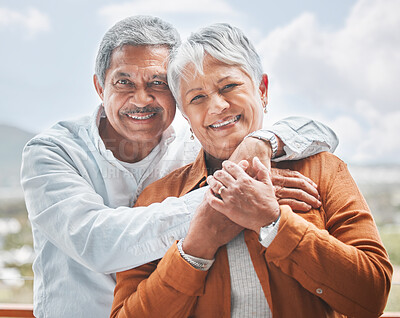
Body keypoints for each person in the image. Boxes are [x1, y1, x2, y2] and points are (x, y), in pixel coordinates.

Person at [21, 16, 338, 318]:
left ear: (177, 93)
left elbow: (320, 131)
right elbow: (96, 243)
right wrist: (232, 196)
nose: (142, 99)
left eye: (157, 83)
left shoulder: (196, 146)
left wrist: (264, 142)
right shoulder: (51, 152)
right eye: (124, 82)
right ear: (100, 88)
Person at [110, 23, 392, 318]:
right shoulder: (156, 198)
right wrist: (195, 248)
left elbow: (372, 295)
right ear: (187, 118)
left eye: (228, 86)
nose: (217, 106)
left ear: (262, 91)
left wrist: (273, 222)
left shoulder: (323, 170)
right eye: (197, 98)